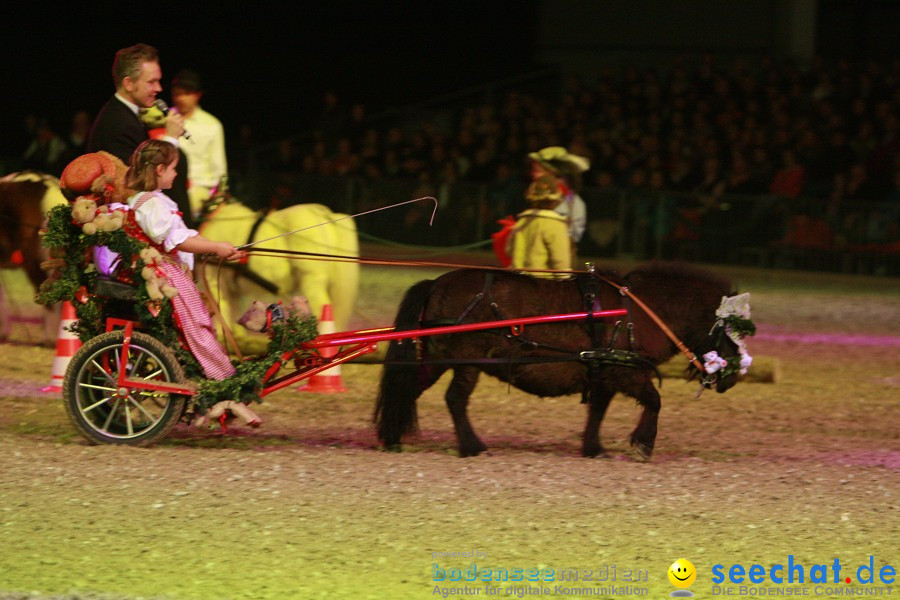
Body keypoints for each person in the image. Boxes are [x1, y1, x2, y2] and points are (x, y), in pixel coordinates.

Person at [123, 139, 242, 380]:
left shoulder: (153, 199)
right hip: (165, 273)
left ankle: (216, 371)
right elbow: (174, 240)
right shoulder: (152, 203)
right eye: (174, 168)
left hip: (169, 270)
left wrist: (218, 248)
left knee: (200, 321)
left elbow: (185, 235)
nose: (177, 174)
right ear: (160, 169)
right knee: (196, 325)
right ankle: (217, 375)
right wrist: (216, 247)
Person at [86, 43, 193, 227]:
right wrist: (170, 139)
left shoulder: (125, 115)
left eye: (159, 81)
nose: (159, 88)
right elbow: (140, 182)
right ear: (128, 83)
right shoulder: (117, 122)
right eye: (151, 82)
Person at [170, 69, 228, 219]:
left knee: (182, 208)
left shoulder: (211, 125)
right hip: (168, 185)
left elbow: (219, 168)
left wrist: (219, 195)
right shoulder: (163, 119)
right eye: (178, 93)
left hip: (199, 189)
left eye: (186, 93)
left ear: (198, 94)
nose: (181, 98)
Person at [527, 146, 590, 262]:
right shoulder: (535, 197)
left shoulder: (573, 202)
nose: (533, 175)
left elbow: (573, 236)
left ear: (552, 172)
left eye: (537, 171)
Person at [506, 174, 572, 278]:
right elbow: (561, 265)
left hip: (516, 284)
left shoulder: (522, 222)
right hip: (543, 287)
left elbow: (509, 250)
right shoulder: (555, 225)